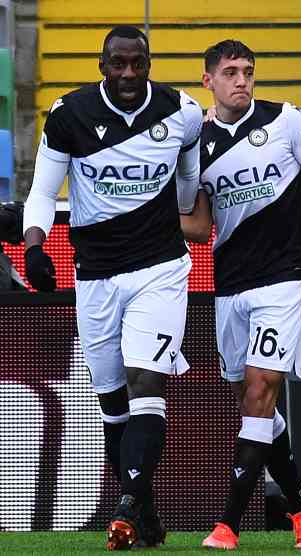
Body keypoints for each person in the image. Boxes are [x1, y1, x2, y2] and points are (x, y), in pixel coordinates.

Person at [22, 25, 202, 549]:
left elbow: (188, 180)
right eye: (117, 64)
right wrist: (35, 246)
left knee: (147, 381)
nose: (127, 74)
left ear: (149, 64)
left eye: (137, 64)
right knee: (112, 402)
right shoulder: (69, 114)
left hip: (160, 268)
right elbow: (40, 193)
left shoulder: (182, 111)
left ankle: (123, 506)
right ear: (103, 65)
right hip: (95, 276)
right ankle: (143, 512)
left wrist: (181, 204)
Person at [179, 39, 301, 550]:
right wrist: (152, 215)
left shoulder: (286, 120)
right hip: (229, 286)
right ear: (209, 80)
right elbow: (202, 223)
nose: (242, 80)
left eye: (248, 70)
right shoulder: (197, 144)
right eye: (230, 72)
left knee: (259, 392)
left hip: (285, 278)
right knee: (253, 405)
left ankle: (227, 524)